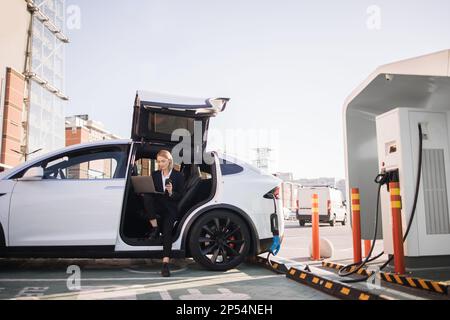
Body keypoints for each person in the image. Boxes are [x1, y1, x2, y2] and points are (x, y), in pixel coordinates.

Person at [142, 150, 185, 277]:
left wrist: (171, 192)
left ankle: (165, 263)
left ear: (169, 161)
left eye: (163, 161)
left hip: (170, 208)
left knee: (167, 233)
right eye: (159, 161)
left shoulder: (178, 176)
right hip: (157, 205)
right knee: (146, 197)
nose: (160, 164)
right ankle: (155, 228)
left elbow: (180, 195)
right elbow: (152, 191)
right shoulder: (155, 174)